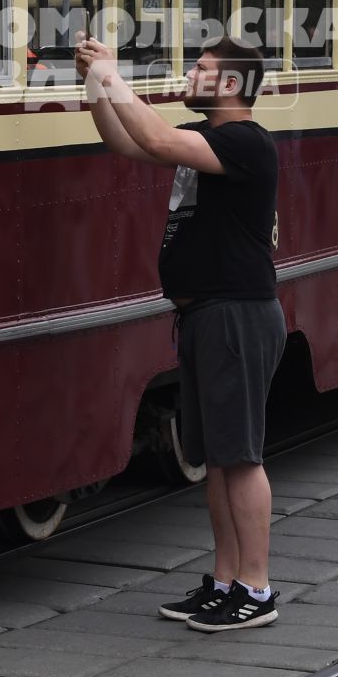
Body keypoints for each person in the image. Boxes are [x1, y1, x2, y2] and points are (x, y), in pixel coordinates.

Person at [76, 32, 283, 633]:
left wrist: (114, 75)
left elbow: (156, 135)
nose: (191, 74)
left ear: (233, 85)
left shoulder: (246, 142)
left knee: (240, 457)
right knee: (216, 459)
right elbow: (127, 141)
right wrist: (96, 83)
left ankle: (258, 588)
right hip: (204, 315)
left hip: (236, 314)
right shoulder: (210, 143)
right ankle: (225, 582)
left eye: (203, 68)